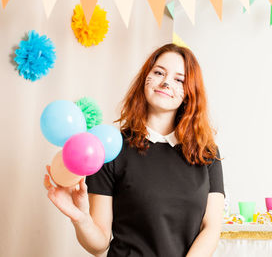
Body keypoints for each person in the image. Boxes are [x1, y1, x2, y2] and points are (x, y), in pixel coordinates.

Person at [43, 43, 225, 257]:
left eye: (179, 79)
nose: (166, 82)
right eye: (158, 72)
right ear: (144, 80)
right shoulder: (110, 148)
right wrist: (80, 217)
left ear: (189, 93)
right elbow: (99, 244)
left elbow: (211, 228)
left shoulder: (207, 153)